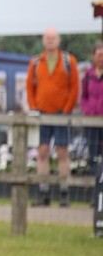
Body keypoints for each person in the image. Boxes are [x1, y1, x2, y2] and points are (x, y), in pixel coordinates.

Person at [26, 29, 80, 207]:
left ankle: (64, 192)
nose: (50, 41)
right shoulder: (35, 62)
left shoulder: (68, 61)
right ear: (43, 41)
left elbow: (74, 87)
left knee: (62, 152)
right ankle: (43, 191)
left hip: (60, 113)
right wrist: (33, 107)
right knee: (42, 152)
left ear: (58, 41)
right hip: (42, 113)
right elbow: (29, 87)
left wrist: (67, 108)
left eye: (53, 38)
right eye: (47, 38)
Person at [81, 42, 103, 168]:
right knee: (92, 153)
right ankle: (94, 181)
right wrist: (87, 109)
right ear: (93, 57)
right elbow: (84, 96)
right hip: (91, 120)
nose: (101, 58)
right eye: (99, 55)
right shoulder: (88, 75)